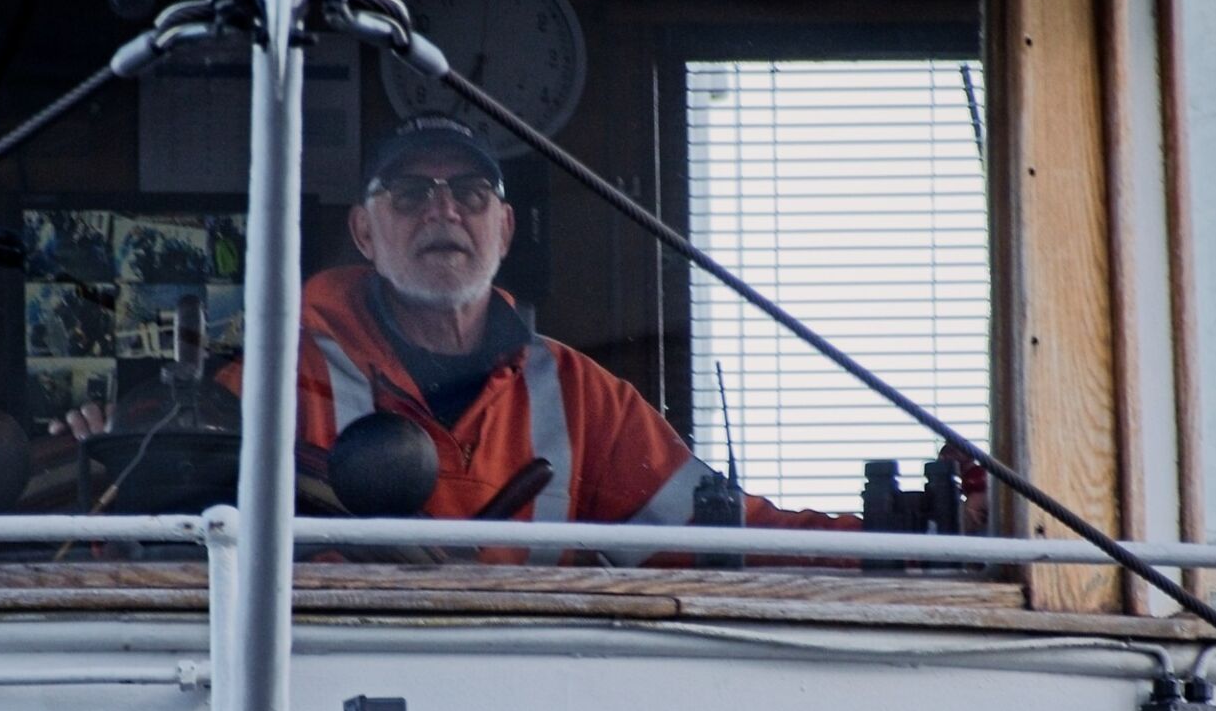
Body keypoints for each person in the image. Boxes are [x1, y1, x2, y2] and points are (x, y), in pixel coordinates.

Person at [56, 114, 853, 546]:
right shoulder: (263, 388)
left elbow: (724, 534)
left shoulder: (587, 399)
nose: (443, 210)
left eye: (469, 193)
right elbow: (149, 537)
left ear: (504, 229)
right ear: (365, 233)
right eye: (410, 194)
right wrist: (110, 468)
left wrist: (901, 542)